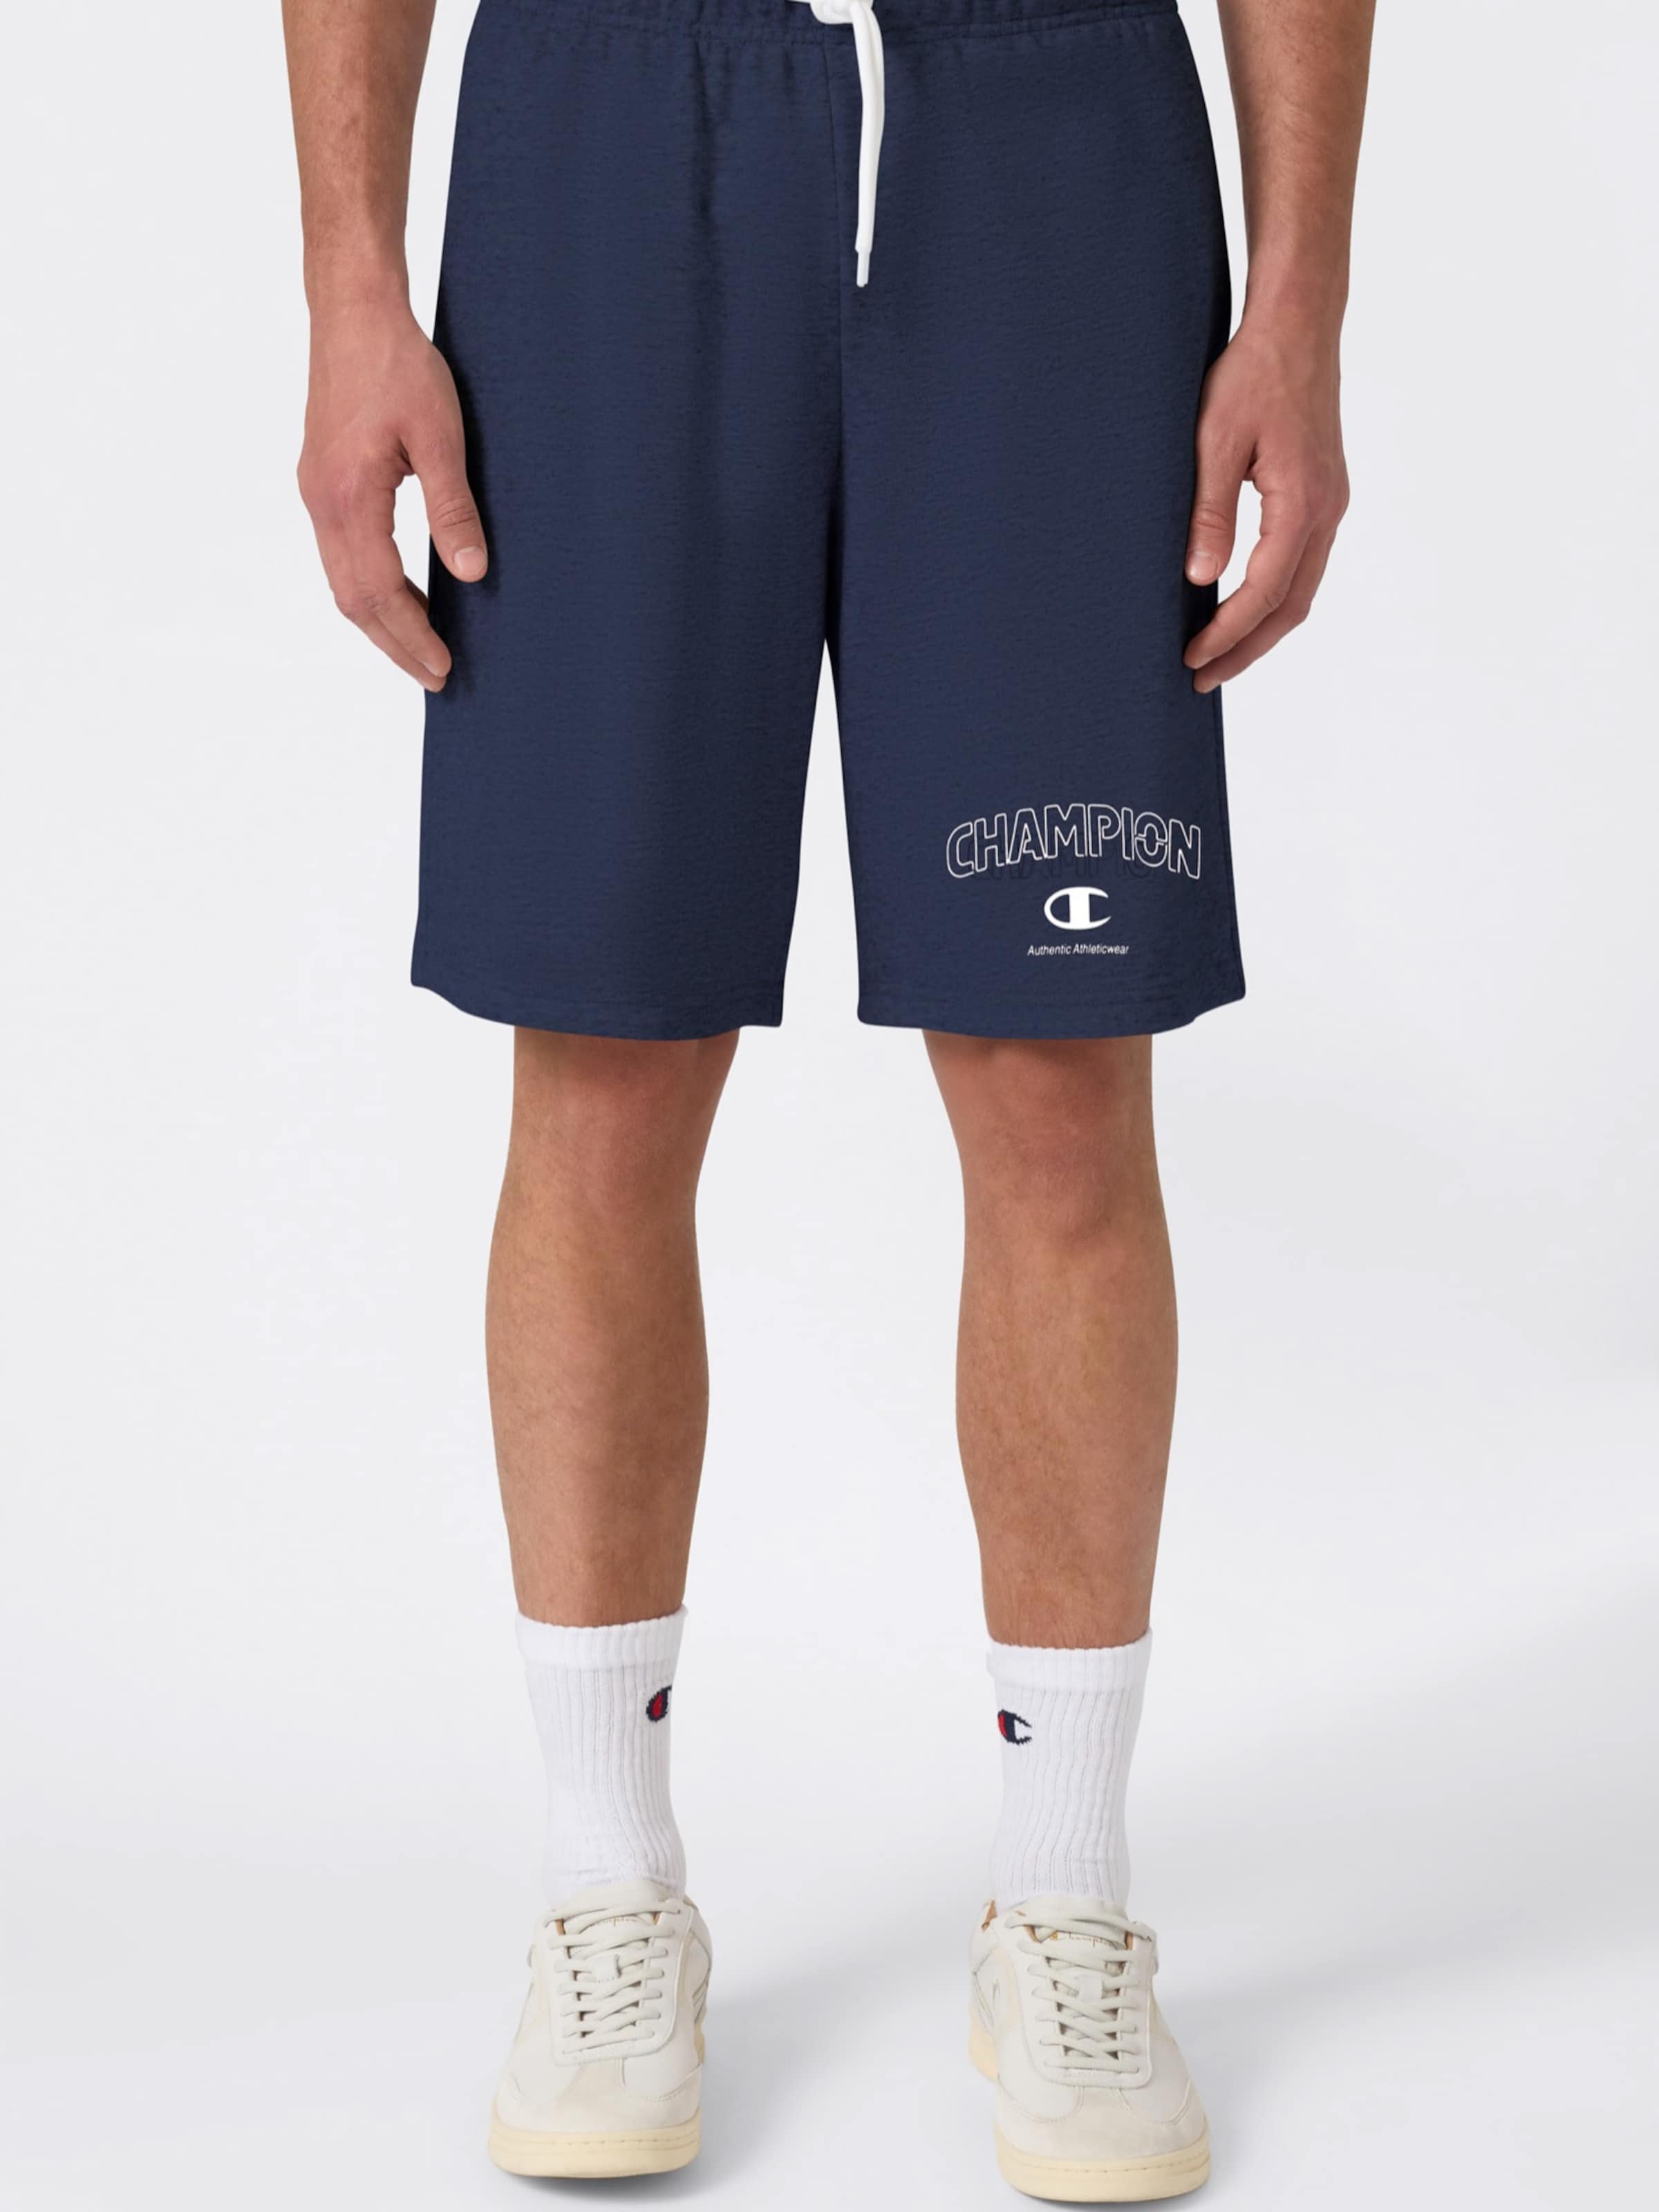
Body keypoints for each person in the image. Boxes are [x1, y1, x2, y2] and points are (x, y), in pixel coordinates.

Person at [282, 0, 1371, 2194]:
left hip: (1051, 140)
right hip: (607, 135)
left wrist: (1302, 306)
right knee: (607, 1053)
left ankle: (1063, 1902)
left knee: (1058, 1071)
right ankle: (609, 1890)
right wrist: (351, 289)